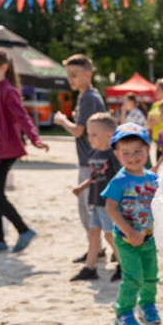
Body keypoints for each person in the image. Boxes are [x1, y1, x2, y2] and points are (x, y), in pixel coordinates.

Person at [0, 46, 48, 254]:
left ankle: (24, 230)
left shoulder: (8, 90)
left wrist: (35, 138)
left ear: (3, 67)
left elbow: (22, 116)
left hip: (3, 150)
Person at [103, 123, 160, 325]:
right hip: (126, 240)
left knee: (151, 275)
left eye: (138, 151)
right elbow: (111, 209)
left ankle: (146, 304)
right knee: (133, 276)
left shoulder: (152, 179)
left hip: (147, 238)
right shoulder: (119, 181)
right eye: (126, 153)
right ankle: (123, 312)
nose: (133, 156)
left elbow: (158, 206)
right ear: (117, 155)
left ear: (147, 150)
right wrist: (129, 231)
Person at [55, 54, 106, 262]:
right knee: (92, 208)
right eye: (69, 75)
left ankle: (98, 248)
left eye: (74, 75)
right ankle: (97, 248)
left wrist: (62, 120)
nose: (70, 79)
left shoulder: (88, 98)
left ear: (88, 74)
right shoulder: (87, 96)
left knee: (90, 208)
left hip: (91, 160)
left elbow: (78, 131)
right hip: (91, 159)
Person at [71, 113, 121, 282]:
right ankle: (89, 268)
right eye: (88, 134)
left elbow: (120, 179)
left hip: (108, 203)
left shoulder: (114, 155)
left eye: (94, 134)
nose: (89, 138)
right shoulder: (93, 153)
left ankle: (123, 265)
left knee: (109, 235)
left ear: (108, 135)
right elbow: (94, 176)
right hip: (94, 200)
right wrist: (82, 186)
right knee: (93, 233)